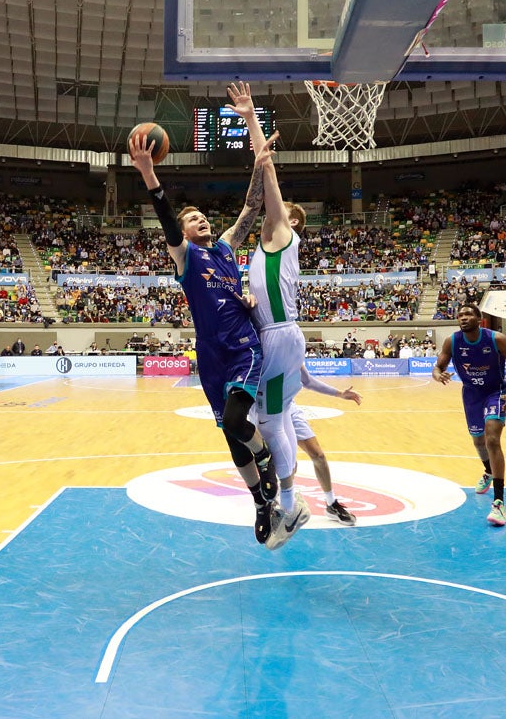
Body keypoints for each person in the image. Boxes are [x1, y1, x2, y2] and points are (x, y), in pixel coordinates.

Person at [130, 105, 282, 546]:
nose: (202, 220)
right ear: (183, 232)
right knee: (232, 438)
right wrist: (147, 174)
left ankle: (267, 455)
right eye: (193, 218)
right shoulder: (186, 258)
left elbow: (252, 208)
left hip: (242, 346)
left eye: (203, 217)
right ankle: (260, 503)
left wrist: (260, 162)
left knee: (238, 418)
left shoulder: (227, 248)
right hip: (210, 356)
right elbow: (165, 220)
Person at [235, 81, 312, 549]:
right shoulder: (259, 248)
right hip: (273, 334)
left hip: (280, 336)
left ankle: (290, 505)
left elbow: (270, 184)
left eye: (280, 209)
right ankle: (289, 501)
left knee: (269, 424)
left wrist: (250, 120)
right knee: (275, 421)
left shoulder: (283, 233)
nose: (273, 209)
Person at [432, 303, 506, 527]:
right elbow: (438, 367)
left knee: (492, 438)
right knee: (478, 440)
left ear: (479, 318)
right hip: (471, 395)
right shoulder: (452, 341)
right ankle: (487, 470)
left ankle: (499, 503)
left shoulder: (497, 339)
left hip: (496, 392)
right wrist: (438, 375)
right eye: (460, 314)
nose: (463, 317)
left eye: (468, 314)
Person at [294, 364, 362, 525]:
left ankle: (331, 504)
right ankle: (272, 504)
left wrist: (339, 394)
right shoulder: (260, 346)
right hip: (265, 409)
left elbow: (307, 381)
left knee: (318, 455)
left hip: (288, 407)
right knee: (284, 464)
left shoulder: (293, 347)